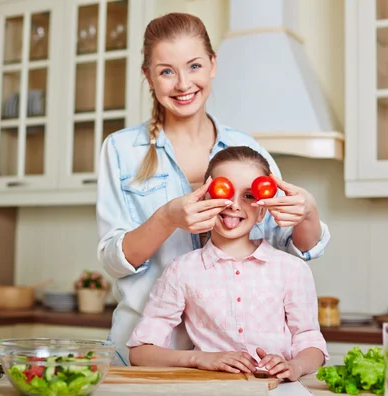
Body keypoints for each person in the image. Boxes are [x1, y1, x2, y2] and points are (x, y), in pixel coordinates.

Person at [96, 12, 331, 366]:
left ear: (212, 65)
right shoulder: (121, 150)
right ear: (148, 76)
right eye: (166, 71)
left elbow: (288, 248)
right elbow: (114, 260)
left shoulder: (247, 150)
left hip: (237, 364)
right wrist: (168, 217)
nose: (182, 84)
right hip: (148, 355)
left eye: (193, 66)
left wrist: (308, 211)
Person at [127, 146, 328, 380]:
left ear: (262, 211)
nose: (234, 205)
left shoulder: (292, 270)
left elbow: (312, 344)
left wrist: (295, 366)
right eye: (223, 192)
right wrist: (199, 358)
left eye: (249, 195)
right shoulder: (182, 270)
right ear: (203, 199)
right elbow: (140, 353)